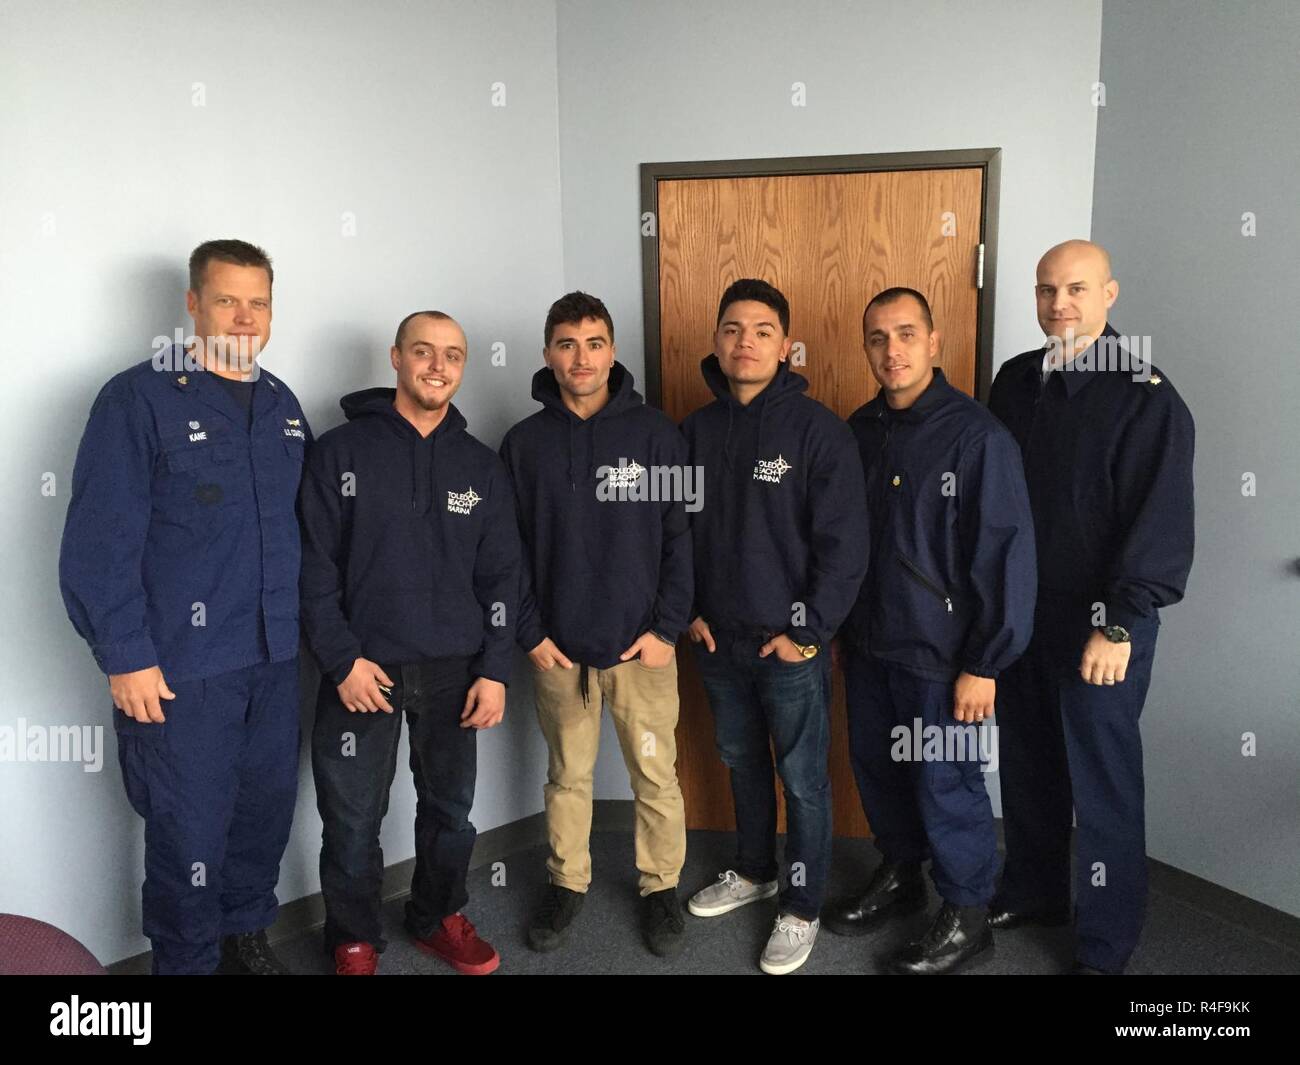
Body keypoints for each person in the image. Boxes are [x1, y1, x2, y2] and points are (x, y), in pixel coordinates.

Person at [60, 239, 310, 975]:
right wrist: (125, 655)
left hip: (274, 660)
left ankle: (245, 939)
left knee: (261, 818)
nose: (243, 316)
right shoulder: (135, 398)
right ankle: (188, 963)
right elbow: (100, 540)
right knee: (188, 834)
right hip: (180, 670)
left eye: (257, 302)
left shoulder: (283, 407)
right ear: (193, 304)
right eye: (227, 299)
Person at [987, 240, 1195, 974]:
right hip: (1023, 615)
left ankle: (1106, 942)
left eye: (1076, 288)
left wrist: (1119, 622)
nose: (1059, 304)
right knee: (1031, 765)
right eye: (1046, 290)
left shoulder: (1146, 394)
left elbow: (1160, 523)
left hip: (1103, 624)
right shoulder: (1013, 381)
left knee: (1101, 784)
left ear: (1110, 294)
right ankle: (1036, 890)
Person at [298, 310, 520, 976]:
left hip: (457, 670)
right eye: (423, 351)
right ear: (396, 357)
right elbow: (311, 569)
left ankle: (435, 914)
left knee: (451, 811)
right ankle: (353, 936)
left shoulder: (479, 467)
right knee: (353, 816)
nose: (437, 366)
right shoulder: (339, 454)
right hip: (361, 670)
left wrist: (496, 668)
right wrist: (340, 660)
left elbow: (504, 575)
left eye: (452, 355)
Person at [828, 287, 1036, 974]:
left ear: (935, 341)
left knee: (946, 783)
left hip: (944, 659)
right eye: (879, 337)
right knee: (879, 772)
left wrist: (986, 662)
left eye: (907, 334)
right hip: (867, 646)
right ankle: (902, 874)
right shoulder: (857, 431)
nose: (893, 351)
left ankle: (968, 913)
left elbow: (1006, 555)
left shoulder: (978, 436)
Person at [682, 278, 868, 975]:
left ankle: (800, 904)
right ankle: (754, 869)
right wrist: (689, 611)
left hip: (790, 646)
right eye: (732, 328)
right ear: (717, 341)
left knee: (804, 779)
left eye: (762, 330)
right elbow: (676, 532)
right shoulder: (695, 430)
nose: (746, 341)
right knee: (740, 760)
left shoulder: (819, 430)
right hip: (718, 642)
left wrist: (811, 631)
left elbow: (845, 546)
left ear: (786, 346)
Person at [500, 292, 693, 958]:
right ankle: (567, 881)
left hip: (643, 651)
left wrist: (667, 629)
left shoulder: (657, 435)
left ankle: (660, 886)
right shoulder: (523, 445)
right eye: (566, 344)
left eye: (594, 343)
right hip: (558, 655)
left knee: (655, 778)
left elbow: (680, 540)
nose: (581, 358)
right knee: (566, 778)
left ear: (613, 350)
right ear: (548, 352)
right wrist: (530, 632)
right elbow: (508, 552)